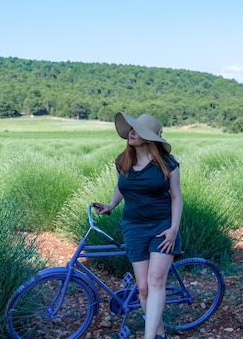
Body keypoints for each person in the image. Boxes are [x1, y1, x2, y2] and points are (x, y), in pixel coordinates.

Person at [94, 112, 183, 339]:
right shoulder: (122, 160)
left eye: (138, 130)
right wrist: (111, 205)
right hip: (133, 227)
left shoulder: (168, 164)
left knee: (155, 280)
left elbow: (176, 197)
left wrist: (173, 229)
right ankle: (159, 332)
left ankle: (149, 337)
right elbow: (121, 187)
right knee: (142, 288)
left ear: (149, 138)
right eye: (132, 129)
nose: (132, 133)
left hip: (162, 226)